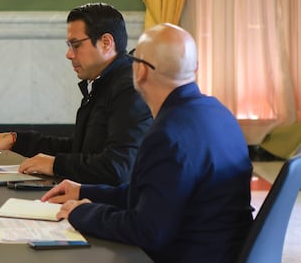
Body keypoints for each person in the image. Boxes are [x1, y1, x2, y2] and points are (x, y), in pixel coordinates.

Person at [42, 23, 253, 262]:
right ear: (194, 68)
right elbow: (154, 194)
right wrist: (84, 191)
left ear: (141, 71)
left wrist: (83, 213)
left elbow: (147, 231)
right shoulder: (219, 113)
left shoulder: (167, 135)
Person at [0, 3, 152, 185]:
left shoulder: (130, 89)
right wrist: (15, 140)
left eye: (76, 45)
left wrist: (55, 165)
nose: (69, 54)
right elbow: (79, 149)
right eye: (69, 45)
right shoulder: (105, 81)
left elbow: (118, 168)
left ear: (106, 43)